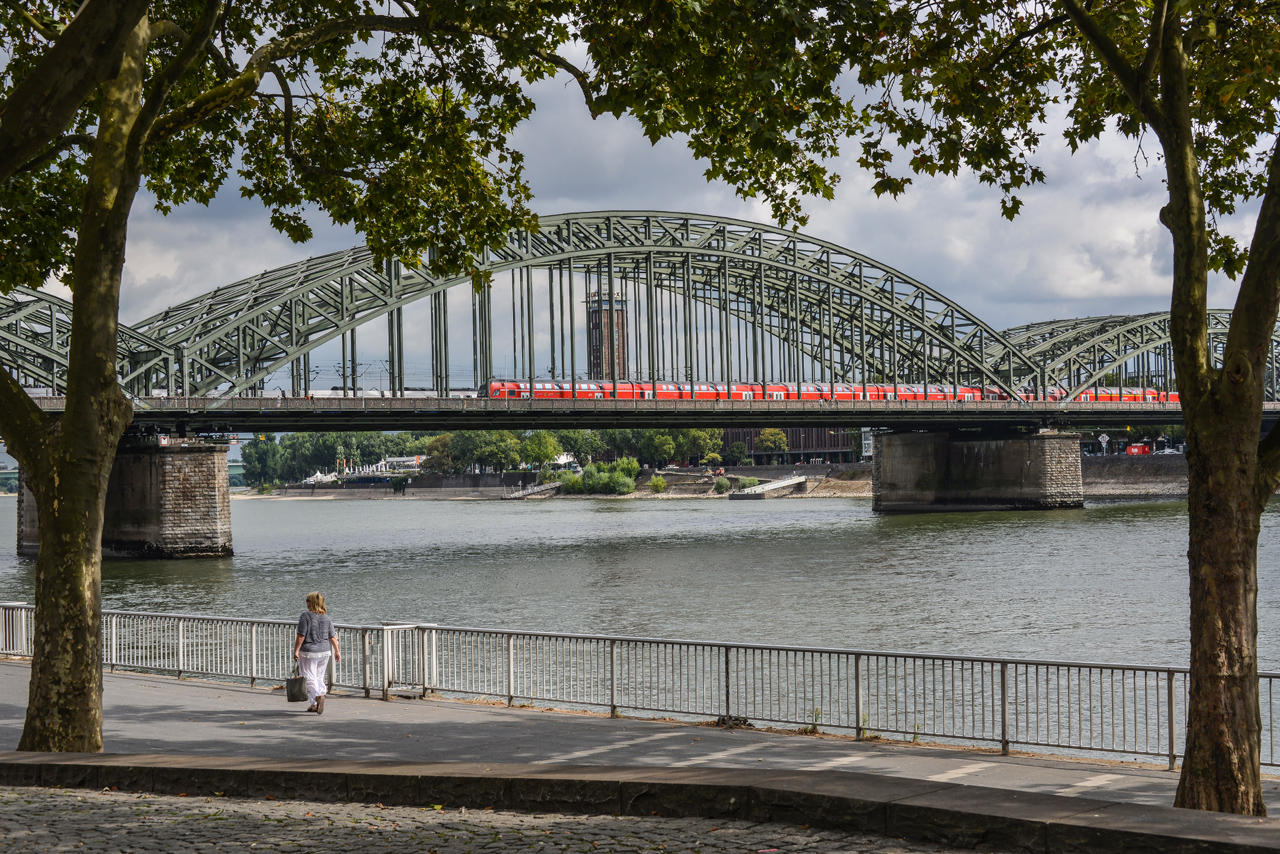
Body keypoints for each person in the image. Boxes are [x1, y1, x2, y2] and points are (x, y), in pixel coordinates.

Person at [293, 591, 340, 714]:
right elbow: (333, 636)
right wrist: (337, 651)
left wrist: (296, 650)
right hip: (325, 651)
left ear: (311, 603)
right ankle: (316, 702)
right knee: (318, 677)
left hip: (309, 652)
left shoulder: (305, 616)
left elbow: (301, 635)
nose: (306, 603)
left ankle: (317, 698)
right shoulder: (326, 617)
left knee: (308, 677)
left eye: (307, 601)